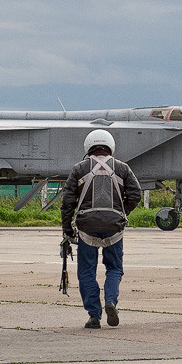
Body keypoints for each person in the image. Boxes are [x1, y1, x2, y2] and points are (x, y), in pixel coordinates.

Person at [60, 129, 142, 328]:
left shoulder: (79, 168)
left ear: (88, 147)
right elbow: (136, 194)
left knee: (86, 272)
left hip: (87, 227)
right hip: (114, 227)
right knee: (114, 268)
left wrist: (66, 228)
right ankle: (111, 301)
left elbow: (68, 201)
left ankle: (94, 316)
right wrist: (122, 212)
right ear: (110, 147)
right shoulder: (122, 168)